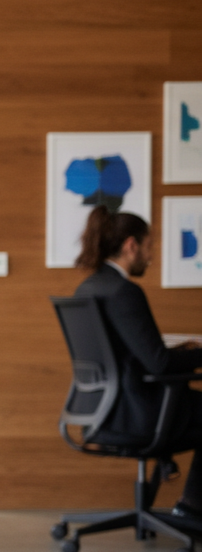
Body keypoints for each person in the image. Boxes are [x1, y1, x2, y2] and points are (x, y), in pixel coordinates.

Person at [73, 205, 202, 532]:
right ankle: (190, 509)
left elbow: (135, 355)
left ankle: (185, 509)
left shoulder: (88, 288)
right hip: (138, 412)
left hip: (102, 409)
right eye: (149, 247)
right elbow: (158, 363)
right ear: (131, 245)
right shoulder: (124, 292)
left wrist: (179, 352)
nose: (151, 256)